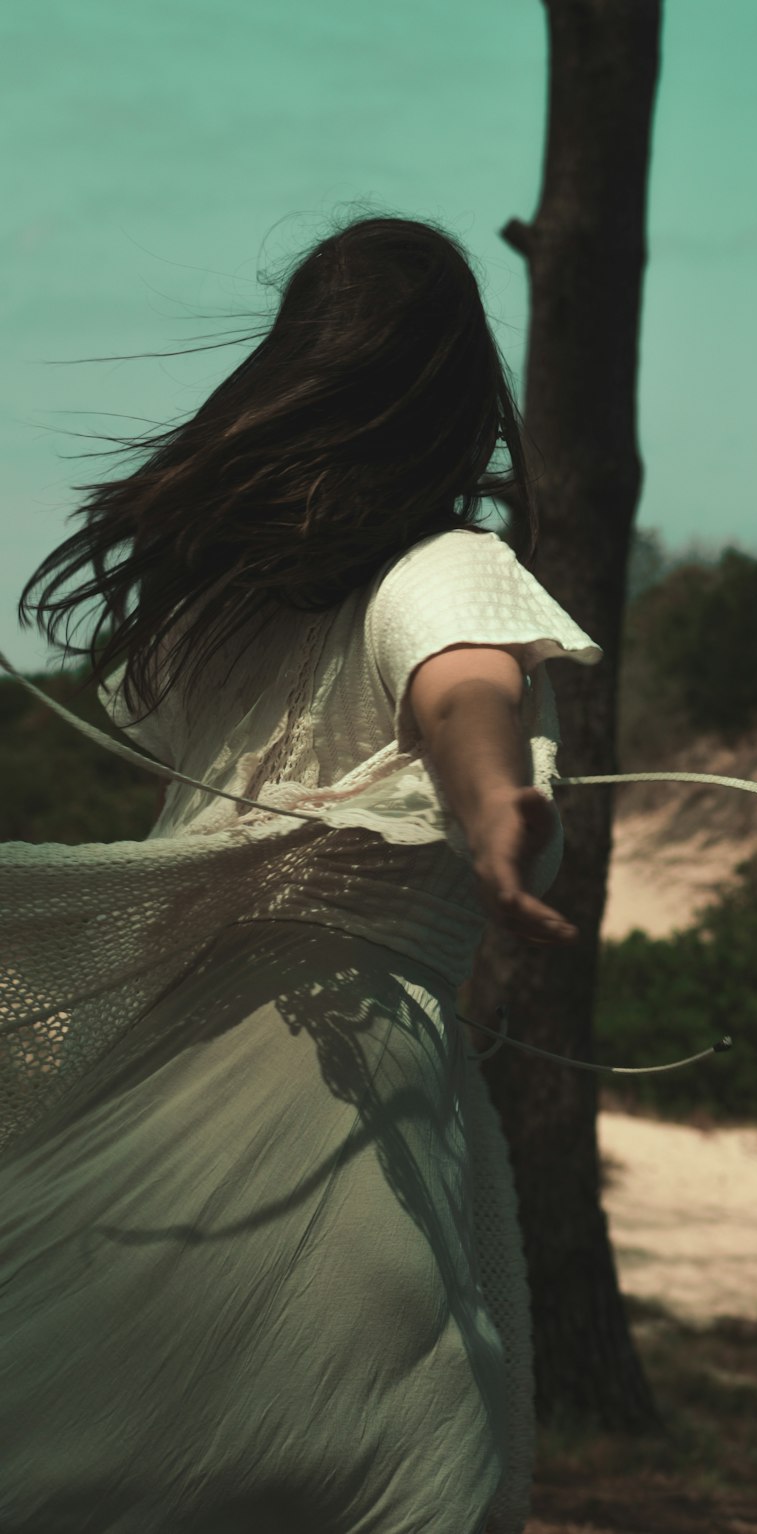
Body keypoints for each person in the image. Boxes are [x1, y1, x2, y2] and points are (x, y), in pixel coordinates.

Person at [0, 213, 604, 1534]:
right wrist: (498, 808)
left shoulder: (221, 613)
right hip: (334, 1144)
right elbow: (462, 688)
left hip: (150, 1109)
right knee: (413, 1472)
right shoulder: (443, 571)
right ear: (459, 396)